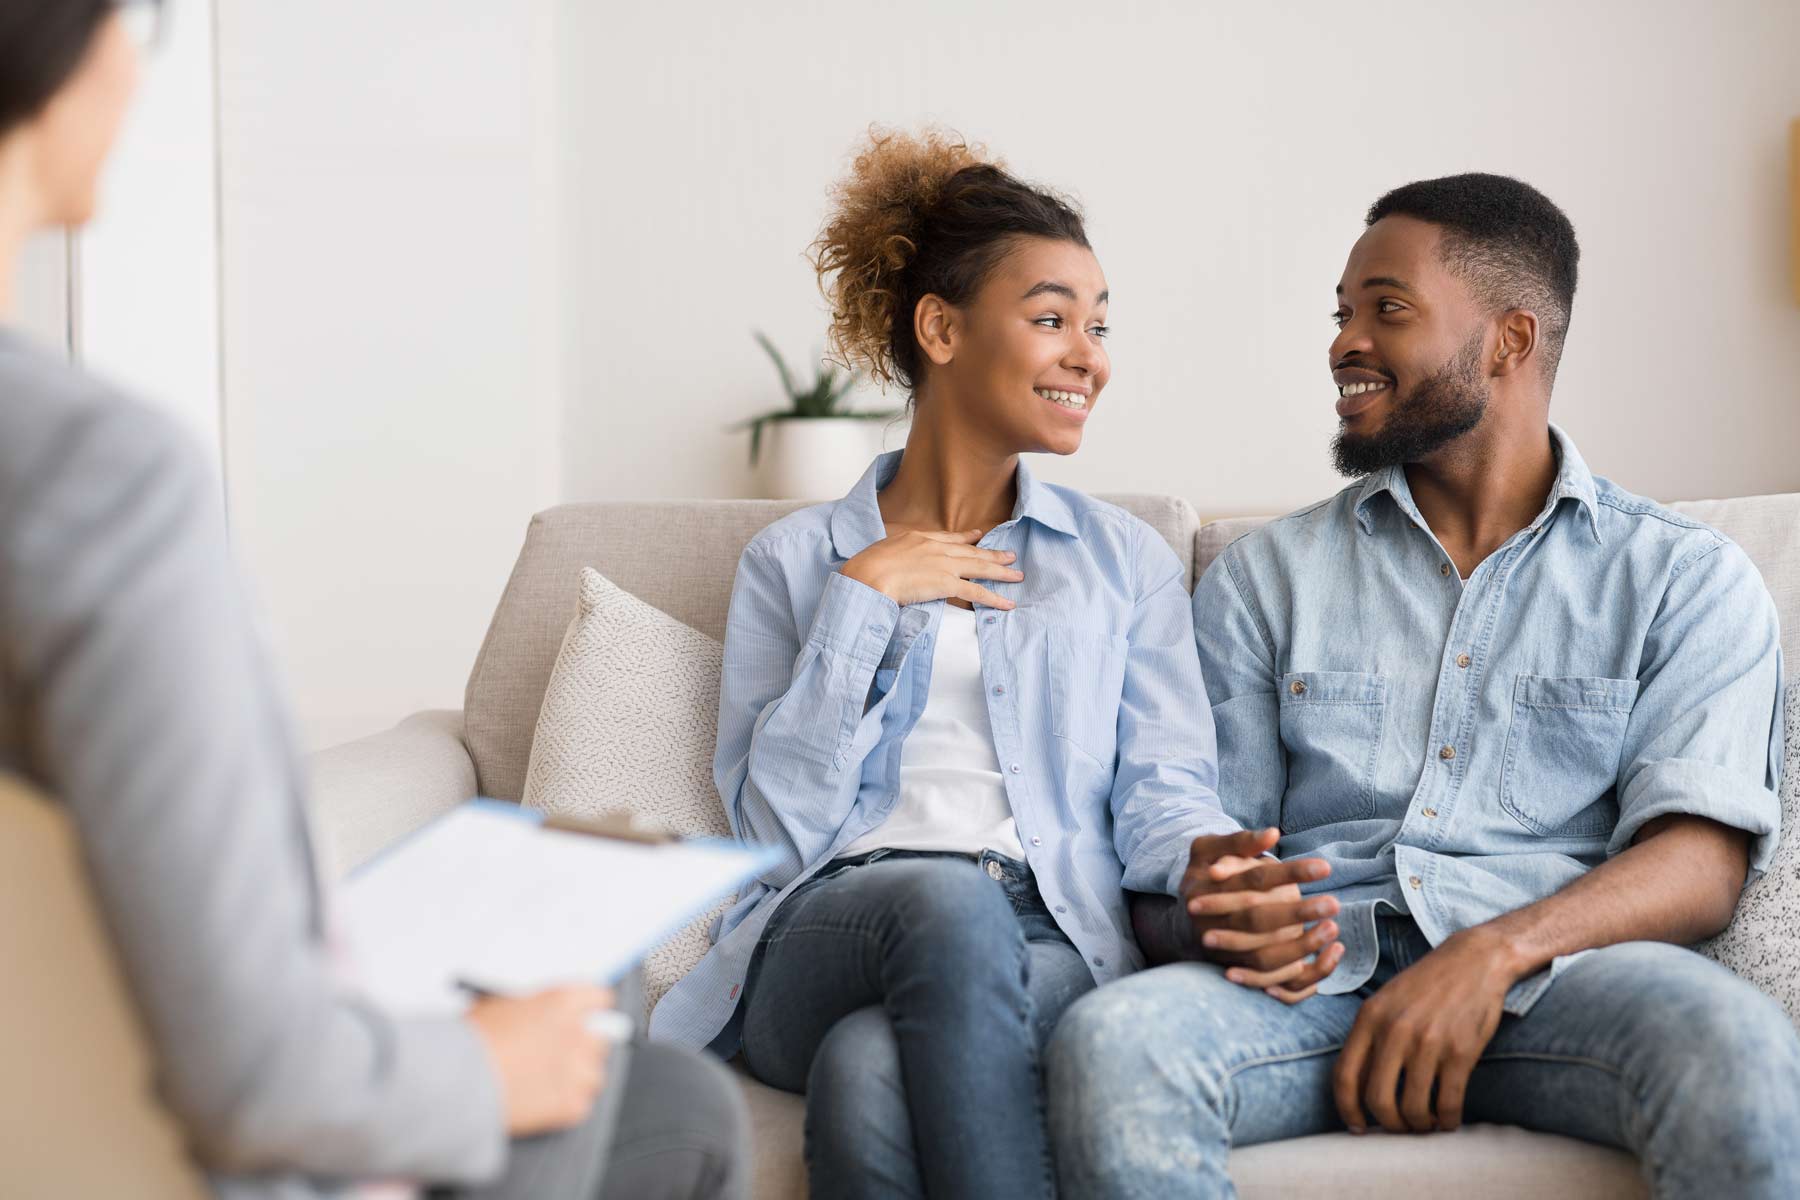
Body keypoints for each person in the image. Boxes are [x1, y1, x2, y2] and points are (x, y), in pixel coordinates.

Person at [0, 3, 747, 1196]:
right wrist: (478, 1071)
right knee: (578, 990)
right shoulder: (92, 484)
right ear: (56, 52)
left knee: (678, 1102)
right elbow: (261, 1083)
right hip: (224, 1144)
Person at [1047, 172, 1798, 1199]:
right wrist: (1215, 902)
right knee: (1115, 1042)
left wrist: (1492, 955)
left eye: (1386, 310)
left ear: (1510, 340)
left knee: (1736, 1047)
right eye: (1343, 313)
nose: (1344, 342)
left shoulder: (1683, 578)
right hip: (1314, 987)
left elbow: (1702, 860)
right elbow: (1185, 857)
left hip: (1565, 985)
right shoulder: (1268, 579)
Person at [649, 128, 1337, 1199]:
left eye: (1098, 327)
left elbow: (1163, 791)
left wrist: (1215, 861)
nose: (1089, 355)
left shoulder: (1122, 563)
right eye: (1052, 318)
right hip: (831, 928)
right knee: (941, 906)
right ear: (941, 329)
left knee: (866, 1073)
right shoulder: (795, 563)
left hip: (1044, 927)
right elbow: (770, 831)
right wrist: (860, 603)